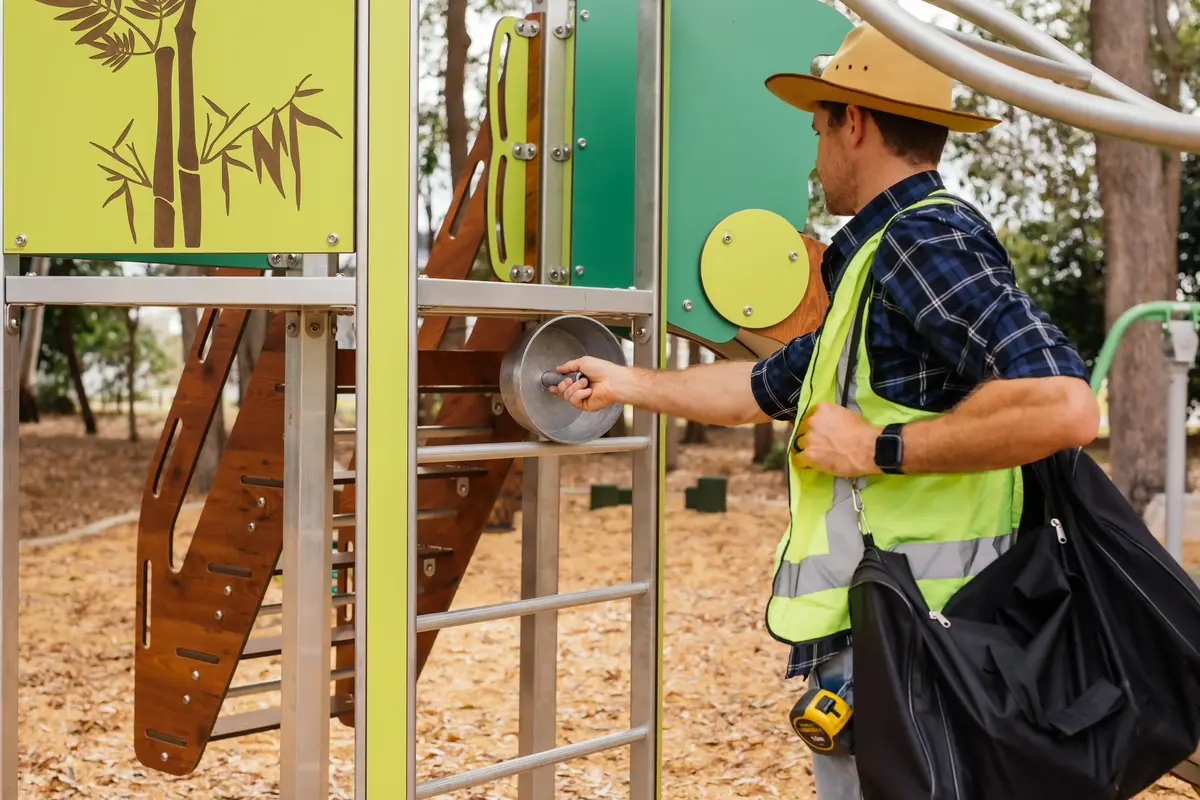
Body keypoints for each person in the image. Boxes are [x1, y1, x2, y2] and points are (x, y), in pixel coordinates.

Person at [550, 23, 1101, 799]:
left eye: (818, 129)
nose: (814, 158)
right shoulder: (876, 266)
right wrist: (625, 383)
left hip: (933, 640)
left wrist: (880, 448)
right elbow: (760, 387)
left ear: (856, 122)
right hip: (894, 637)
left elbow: (1066, 405)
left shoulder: (924, 241)